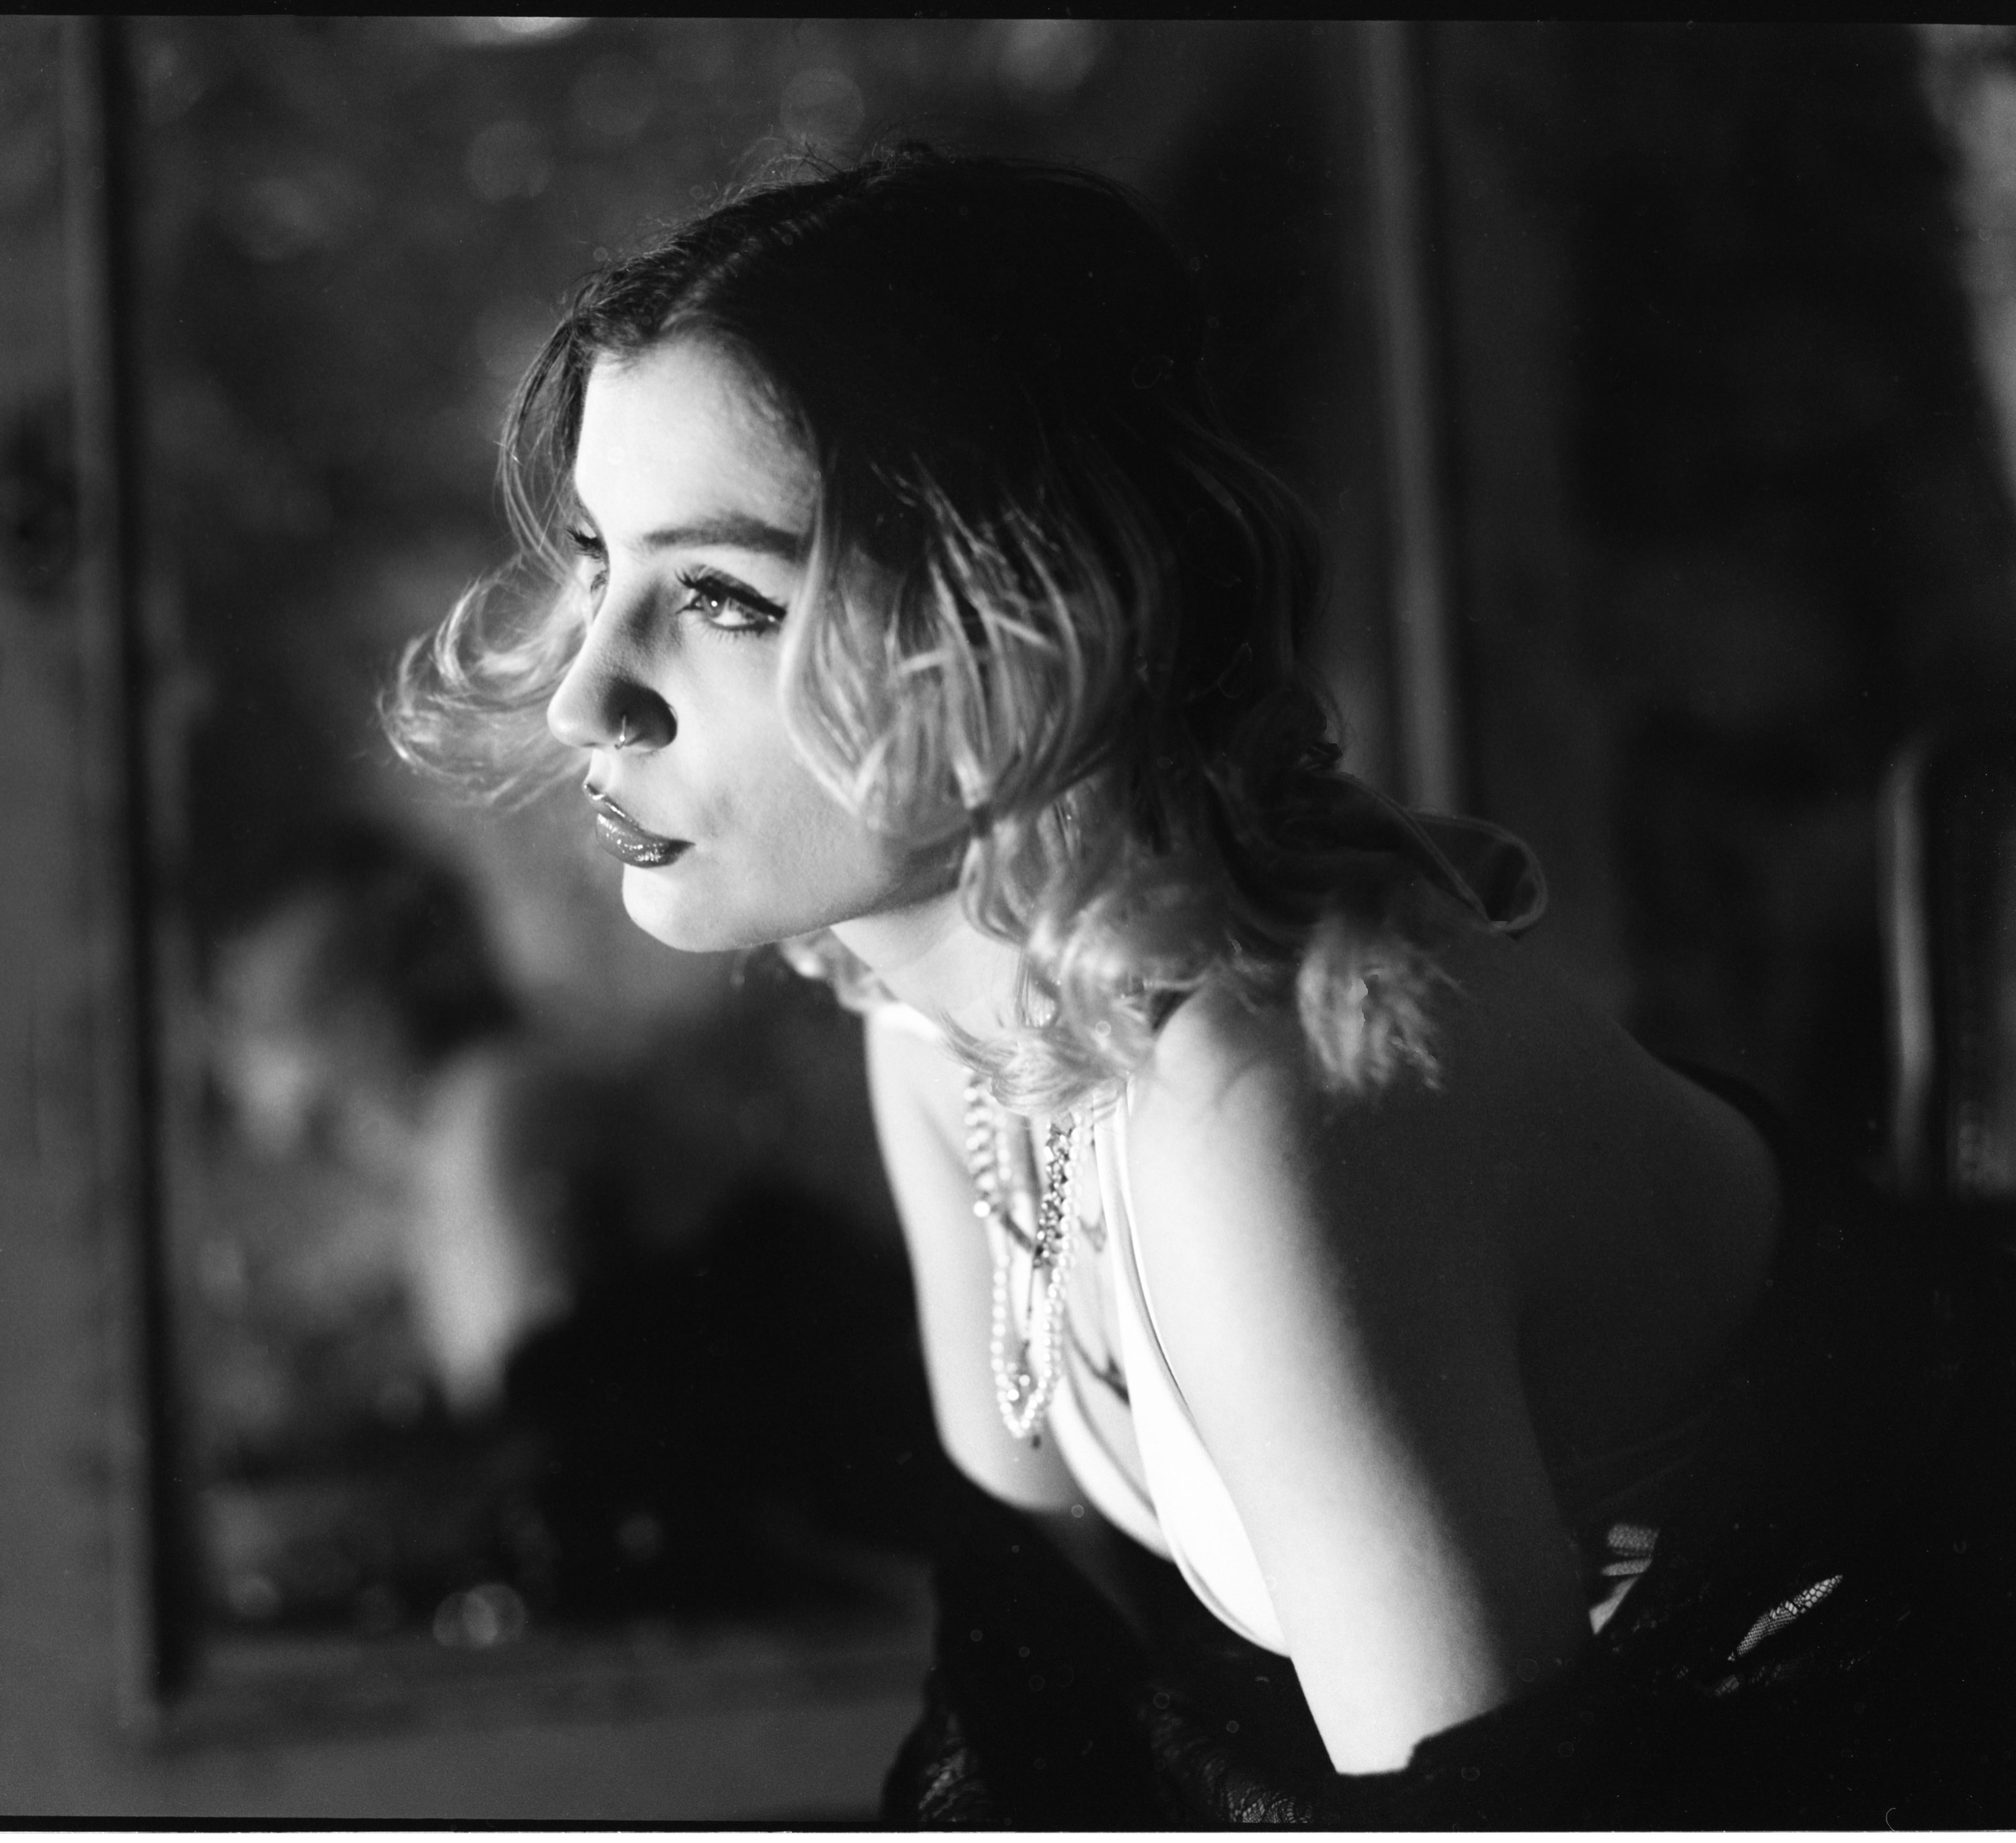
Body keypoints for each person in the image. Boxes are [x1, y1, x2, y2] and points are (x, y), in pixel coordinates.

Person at [387, 146, 2016, 1824]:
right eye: (598, 558)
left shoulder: (1257, 1110)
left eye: (724, 595)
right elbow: (1043, 1693)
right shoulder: (933, 1028)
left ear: (1017, 616)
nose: (586, 695)